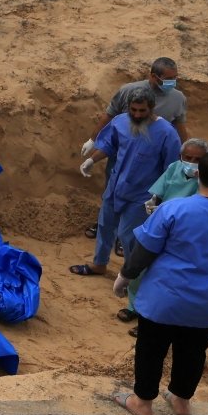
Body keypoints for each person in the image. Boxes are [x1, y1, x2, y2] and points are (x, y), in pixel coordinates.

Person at [113, 148, 208, 415]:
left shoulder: (174, 209)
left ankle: (143, 402)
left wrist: (125, 276)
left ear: (198, 175)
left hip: (164, 298)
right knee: (194, 351)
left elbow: (144, 250)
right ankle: (181, 401)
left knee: (151, 348)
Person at [73, 93, 182, 278]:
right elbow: (109, 144)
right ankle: (99, 264)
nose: (137, 115)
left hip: (142, 194)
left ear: (152, 108)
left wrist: (160, 197)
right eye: (133, 110)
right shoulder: (120, 121)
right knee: (105, 225)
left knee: (127, 235)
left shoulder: (166, 133)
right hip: (116, 185)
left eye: (142, 111)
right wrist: (92, 160)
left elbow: (171, 169)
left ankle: (131, 276)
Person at [80, 57, 189, 238]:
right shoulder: (128, 91)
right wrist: (93, 139)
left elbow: (180, 124)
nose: (173, 83)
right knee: (113, 190)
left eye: (175, 78)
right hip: (122, 150)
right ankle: (106, 227)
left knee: (144, 197)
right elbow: (110, 115)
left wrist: (186, 153)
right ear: (154, 76)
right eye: (169, 79)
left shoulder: (177, 98)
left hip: (151, 157)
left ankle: (127, 235)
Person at [118, 137, 208, 322]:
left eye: (198, 160)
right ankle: (133, 306)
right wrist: (154, 203)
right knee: (142, 267)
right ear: (180, 156)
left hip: (186, 234)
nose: (192, 163)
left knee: (166, 277)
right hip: (160, 225)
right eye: (188, 157)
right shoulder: (174, 168)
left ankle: (152, 319)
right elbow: (159, 192)